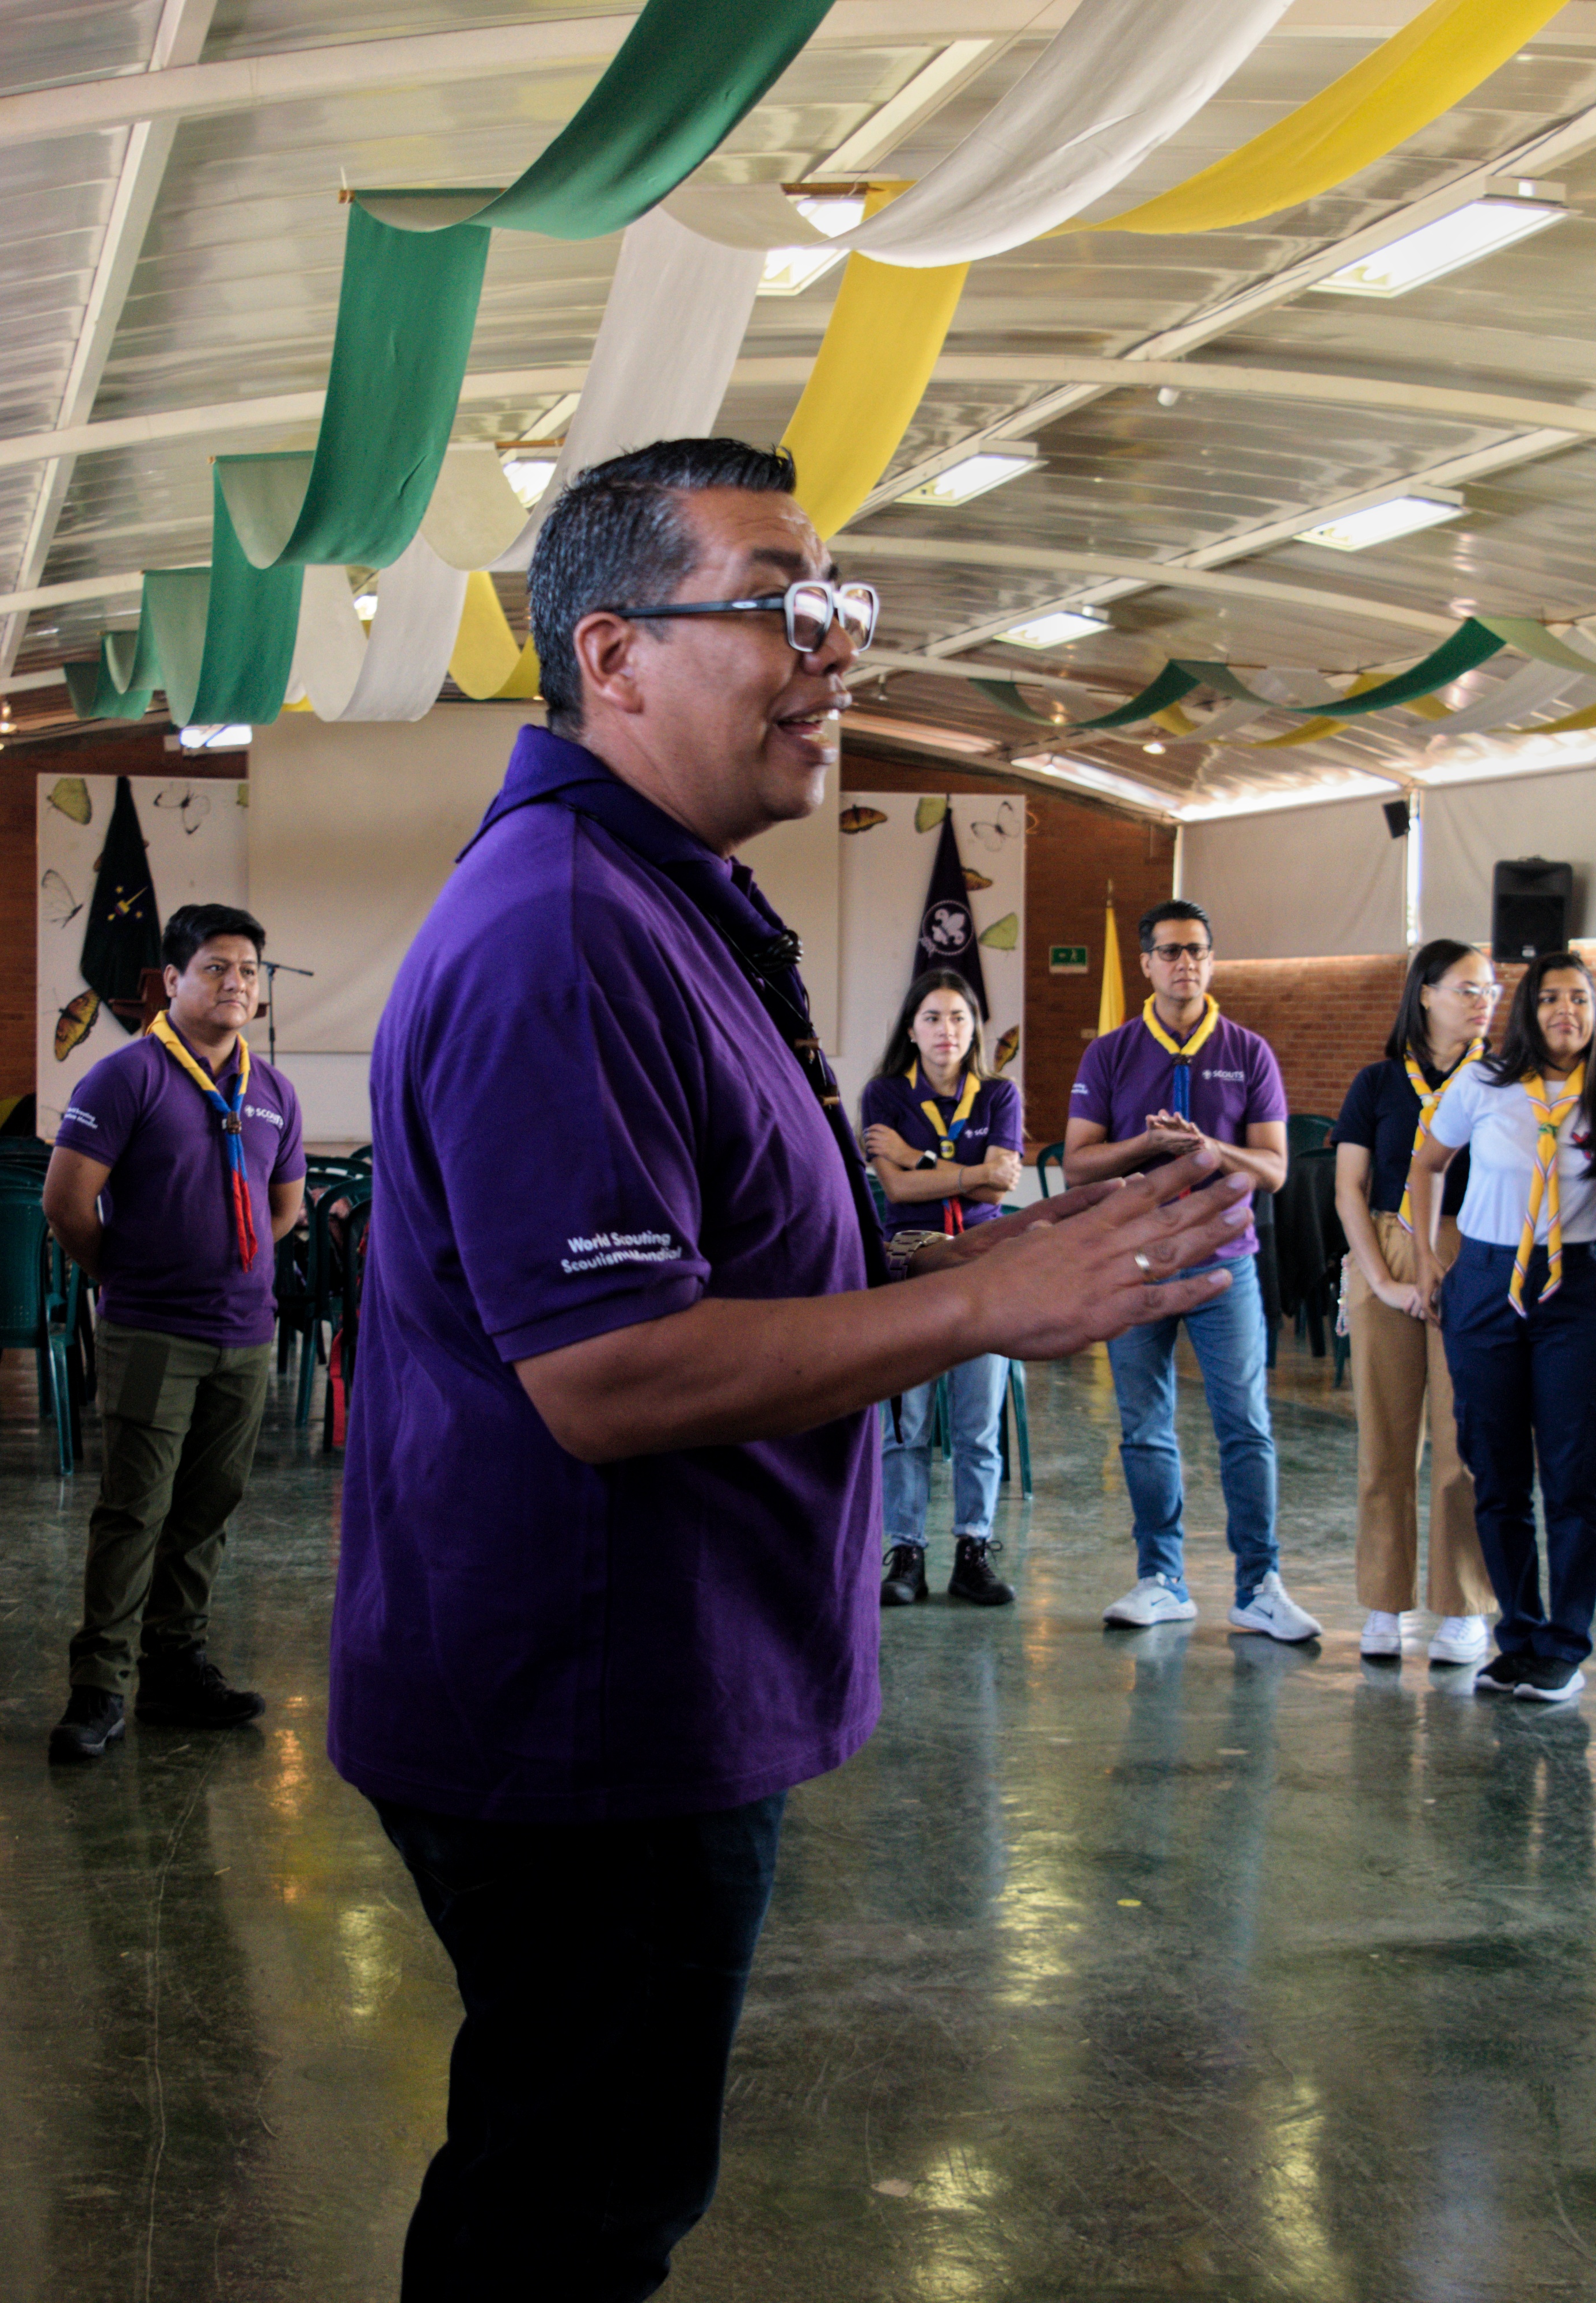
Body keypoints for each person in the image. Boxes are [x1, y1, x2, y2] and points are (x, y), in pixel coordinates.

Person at [326, 437, 1255, 2297]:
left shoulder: (655, 891)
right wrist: (991, 1313)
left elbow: (749, 1250)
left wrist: (985, 1249)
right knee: (567, 2214)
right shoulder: (569, 932)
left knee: (579, 2179)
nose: (834, 652)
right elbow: (608, 1372)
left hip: (649, 1684)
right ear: (611, 658)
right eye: (777, 606)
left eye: (840, 608)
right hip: (587, 1717)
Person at [39, 902, 309, 1761]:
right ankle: (98, 1687)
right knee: (135, 1511)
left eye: (249, 972)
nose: (235, 985)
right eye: (216, 968)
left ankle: (174, 1667)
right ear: (172, 981)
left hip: (245, 1334)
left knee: (206, 1511)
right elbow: (66, 1203)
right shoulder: (128, 1079)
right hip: (154, 1333)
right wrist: (124, 1277)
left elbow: (285, 1209)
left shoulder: (272, 1093)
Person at [1409, 945, 1596, 1702]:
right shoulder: (1483, 1083)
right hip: (1485, 1279)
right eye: (1550, 999)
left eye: (1579, 998)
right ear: (1528, 1010)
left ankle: (1566, 1644)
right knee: (1496, 1468)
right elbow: (1426, 1164)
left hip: (1570, 1286)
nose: (1565, 1012)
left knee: (1574, 1471)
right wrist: (1425, 1257)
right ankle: (1517, 1631)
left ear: (1594, 1010)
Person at [1065, 898, 1305, 1639]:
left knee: (1246, 1427)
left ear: (1211, 959)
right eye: (1169, 951)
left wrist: (1207, 1148)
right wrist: (1146, 1146)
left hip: (1225, 1266)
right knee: (1144, 1428)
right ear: (1145, 964)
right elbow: (1077, 1164)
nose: (1184, 963)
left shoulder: (1248, 1050)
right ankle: (1161, 1578)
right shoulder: (1110, 1053)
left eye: (1197, 950)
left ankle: (1258, 1585)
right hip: (1135, 1265)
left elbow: (1275, 1169)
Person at [1328, 940, 1499, 1663]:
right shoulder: (1377, 1082)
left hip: (1472, 1250)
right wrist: (1383, 1279)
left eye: (1490, 989)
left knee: (1464, 1442)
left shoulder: (1501, 1081)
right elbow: (1349, 1192)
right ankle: (1382, 1604)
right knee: (1386, 1441)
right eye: (1466, 987)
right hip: (1386, 1248)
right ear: (1425, 993)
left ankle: (1463, 1605)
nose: (1483, 999)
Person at [860, 969, 1024, 1607]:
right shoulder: (884, 1095)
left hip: (985, 1266)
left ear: (974, 1028)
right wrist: (971, 1172)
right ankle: (907, 1553)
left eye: (959, 1017)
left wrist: (921, 1158)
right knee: (910, 1422)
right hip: (912, 1266)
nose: (946, 1030)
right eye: (933, 1017)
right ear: (911, 1029)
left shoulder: (998, 1096)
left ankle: (972, 1550)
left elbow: (1000, 1190)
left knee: (980, 1421)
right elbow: (896, 1191)